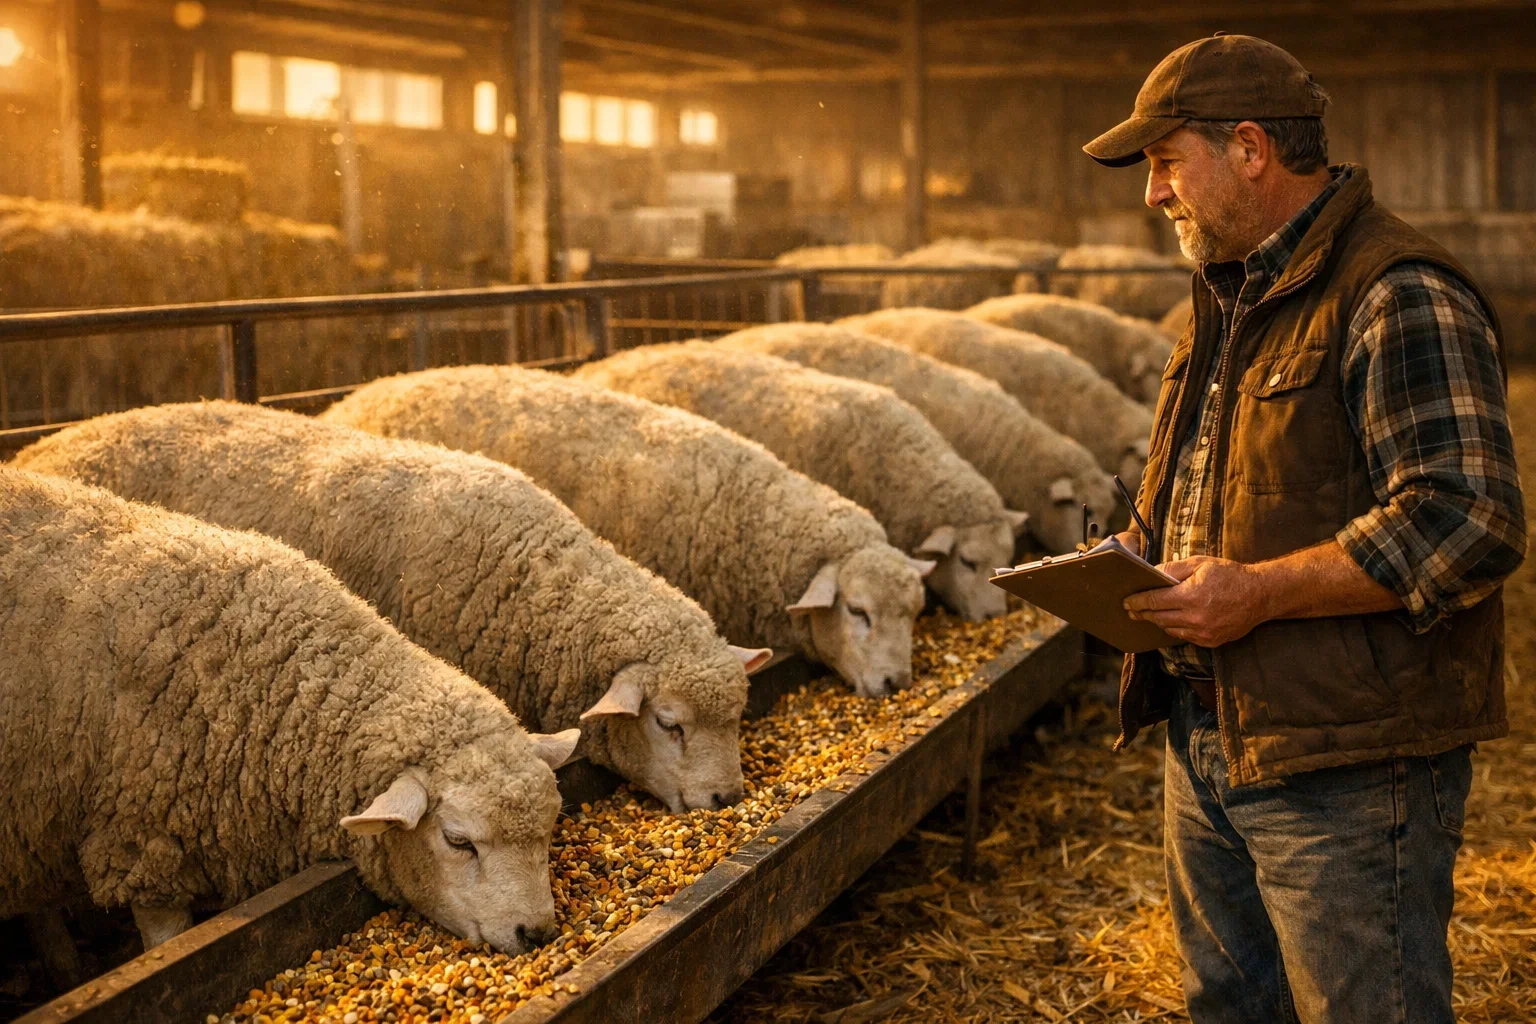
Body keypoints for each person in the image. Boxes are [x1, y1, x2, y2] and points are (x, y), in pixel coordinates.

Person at [1082, 33, 1526, 1024]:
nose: (1153, 197)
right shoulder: (1226, 295)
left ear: (1249, 149)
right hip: (1209, 731)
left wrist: (1259, 592)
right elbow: (1227, 481)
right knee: (1230, 1004)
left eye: (1163, 164)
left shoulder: (1393, 288)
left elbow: (1470, 518)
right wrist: (1133, 559)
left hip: (1347, 764)